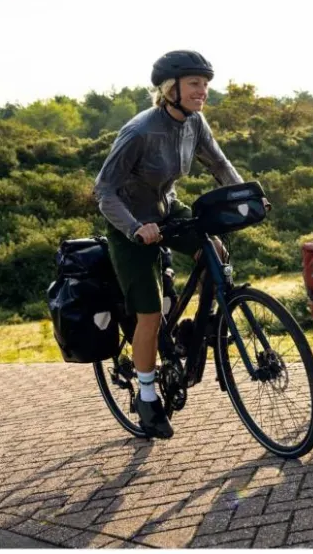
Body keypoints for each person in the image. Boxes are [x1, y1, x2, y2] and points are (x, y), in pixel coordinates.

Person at [94, 50, 244, 440]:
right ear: (169, 88)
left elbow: (219, 164)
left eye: (205, 84)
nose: (202, 91)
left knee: (215, 251)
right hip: (130, 221)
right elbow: (104, 191)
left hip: (167, 209)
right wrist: (134, 228)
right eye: (195, 83)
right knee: (148, 314)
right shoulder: (140, 131)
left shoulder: (195, 123)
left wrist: (247, 196)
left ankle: (198, 332)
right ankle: (146, 397)